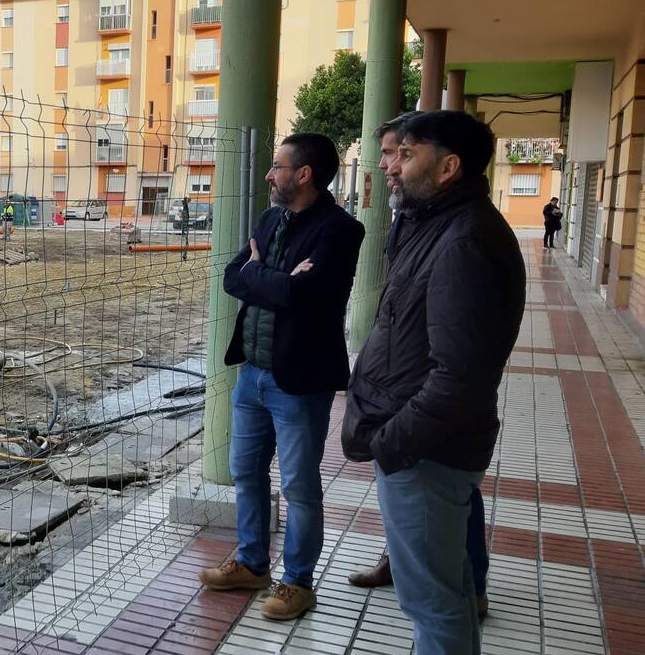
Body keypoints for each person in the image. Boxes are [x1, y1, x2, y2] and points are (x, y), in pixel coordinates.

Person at [342, 110, 525, 654]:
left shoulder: (462, 241)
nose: (389, 165)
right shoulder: (436, 224)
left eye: (405, 154)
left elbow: (458, 378)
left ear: (448, 167)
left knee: (431, 603)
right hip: (427, 445)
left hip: (426, 453)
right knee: (450, 592)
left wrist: (390, 443)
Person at [198, 133, 365, 621]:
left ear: (304, 173)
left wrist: (265, 278)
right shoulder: (270, 218)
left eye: (278, 167)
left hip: (300, 381)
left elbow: (305, 298)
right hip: (251, 373)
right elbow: (232, 277)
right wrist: (281, 279)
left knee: (298, 485)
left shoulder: (340, 230)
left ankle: (297, 581)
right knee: (245, 472)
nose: (270, 175)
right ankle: (252, 563)